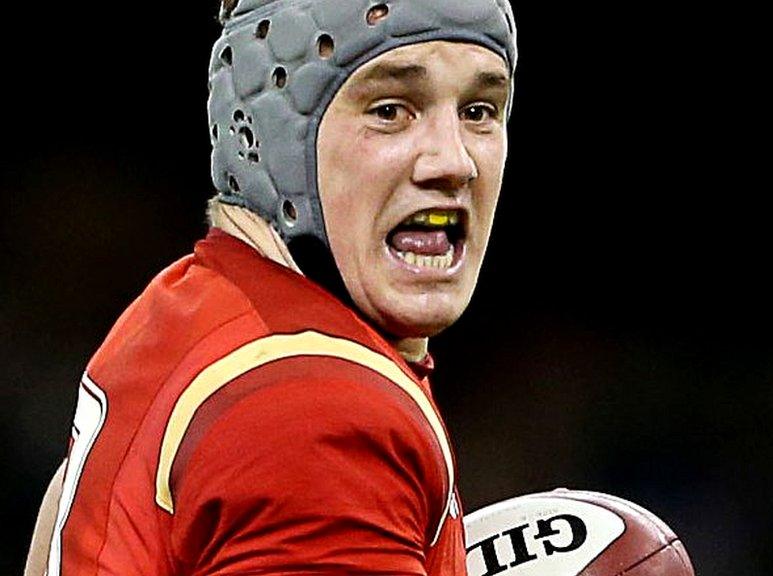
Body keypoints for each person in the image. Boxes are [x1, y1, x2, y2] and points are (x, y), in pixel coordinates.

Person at [24, 0, 517, 574]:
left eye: (480, 110)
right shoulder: (320, 412)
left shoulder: (183, 311)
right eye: (390, 110)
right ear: (274, 135)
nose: (454, 161)